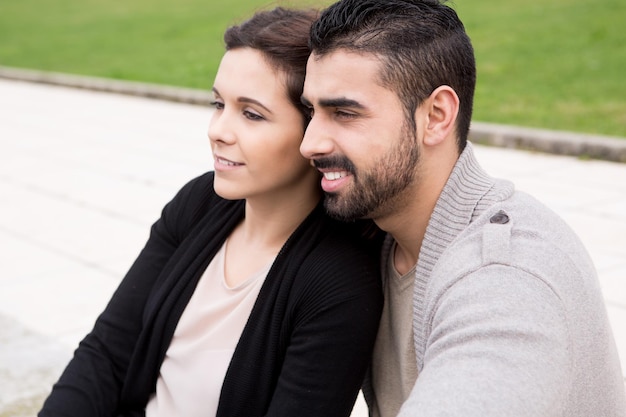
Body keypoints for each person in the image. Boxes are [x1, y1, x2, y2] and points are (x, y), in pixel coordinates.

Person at [38, 7, 384, 417]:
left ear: (315, 130)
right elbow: (107, 356)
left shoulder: (337, 284)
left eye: (251, 114)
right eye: (218, 103)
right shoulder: (200, 203)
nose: (217, 130)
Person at [299, 0, 626, 416]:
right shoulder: (378, 233)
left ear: (436, 116)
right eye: (312, 111)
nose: (309, 143)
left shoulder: (508, 273)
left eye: (344, 112)